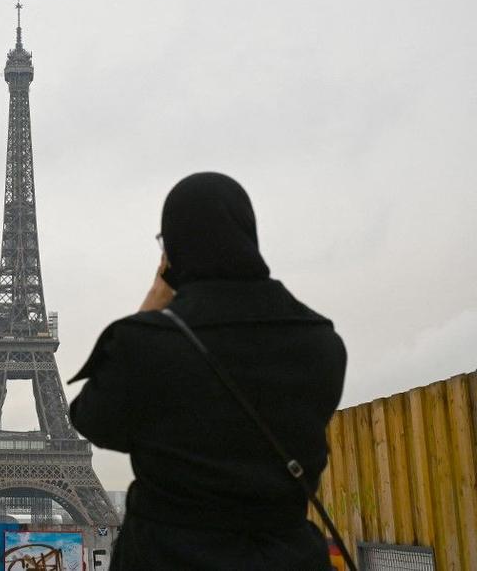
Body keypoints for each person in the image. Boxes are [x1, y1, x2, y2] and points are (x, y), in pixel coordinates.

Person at [68, 172, 347, 570]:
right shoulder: (322, 343)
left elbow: (92, 421)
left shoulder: (147, 343)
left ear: (172, 252)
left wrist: (152, 304)